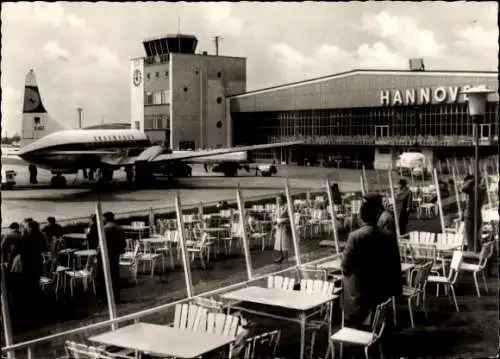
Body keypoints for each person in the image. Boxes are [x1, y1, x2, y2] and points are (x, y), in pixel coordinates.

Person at [341, 193, 401, 330]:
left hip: (362, 286)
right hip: (377, 280)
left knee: (348, 285)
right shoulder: (383, 233)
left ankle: (353, 322)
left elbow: (345, 265)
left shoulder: (355, 236)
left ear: (362, 217)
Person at [97, 212, 126, 303]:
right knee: (115, 277)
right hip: (115, 256)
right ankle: (116, 297)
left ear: (105, 218)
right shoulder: (119, 228)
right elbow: (123, 244)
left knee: (103, 276)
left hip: (106, 256)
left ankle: (105, 298)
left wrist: (98, 252)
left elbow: (101, 245)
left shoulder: (105, 229)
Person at [462, 175, 487, 252]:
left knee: (470, 238)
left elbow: (464, 188)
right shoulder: (482, 190)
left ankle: (473, 253)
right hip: (477, 215)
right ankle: (477, 251)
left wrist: (473, 180)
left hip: (470, 216)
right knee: (476, 237)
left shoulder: (474, 190)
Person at [273, 194, 293, 263]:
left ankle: (286, 258)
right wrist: (275, 220)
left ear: (283, 200)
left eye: (280, 199)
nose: (278, 201)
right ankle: (281, 256)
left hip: (285, 226)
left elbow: (289, 217)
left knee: (284, 242)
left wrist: (282, 221)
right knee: (279, 242)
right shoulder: (277, 207)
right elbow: (275, 216)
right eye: (277, 199)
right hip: (279, 227)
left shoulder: (287, 207)